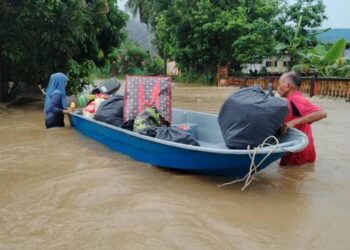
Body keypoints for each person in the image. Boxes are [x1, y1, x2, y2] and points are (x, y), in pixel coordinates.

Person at [278, 72, 327, 166]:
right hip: (299, 148)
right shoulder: (291, 100)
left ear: (288, 86)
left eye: (279, 83)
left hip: (298, 153)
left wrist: (293, 122)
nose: (277, 87)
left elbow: (322, 113)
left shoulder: (296, 99)